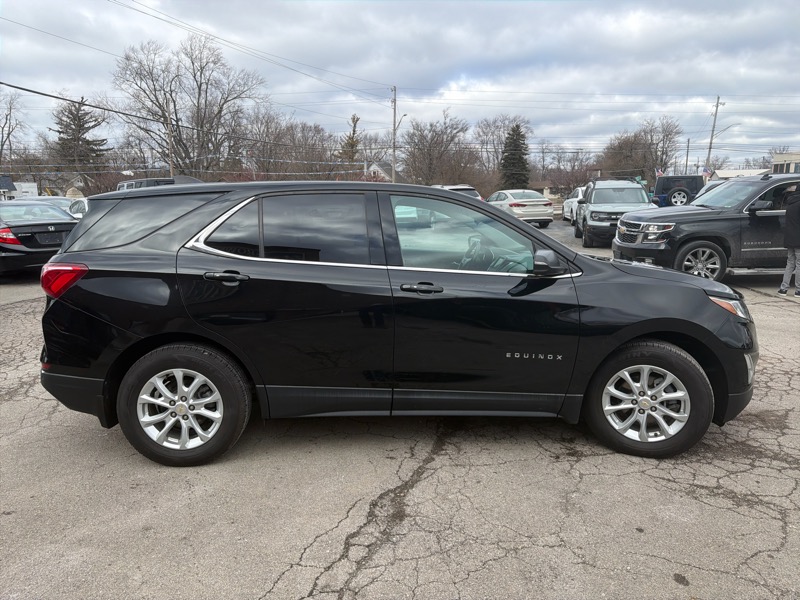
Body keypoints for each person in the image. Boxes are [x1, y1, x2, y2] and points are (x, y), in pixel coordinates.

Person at [778, 186, 800, 296]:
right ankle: (798, 290)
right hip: (798, 238)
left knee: (790, 263)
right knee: (799, 264)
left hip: (790, 237)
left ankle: (783, 288)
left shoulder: (790, 202)